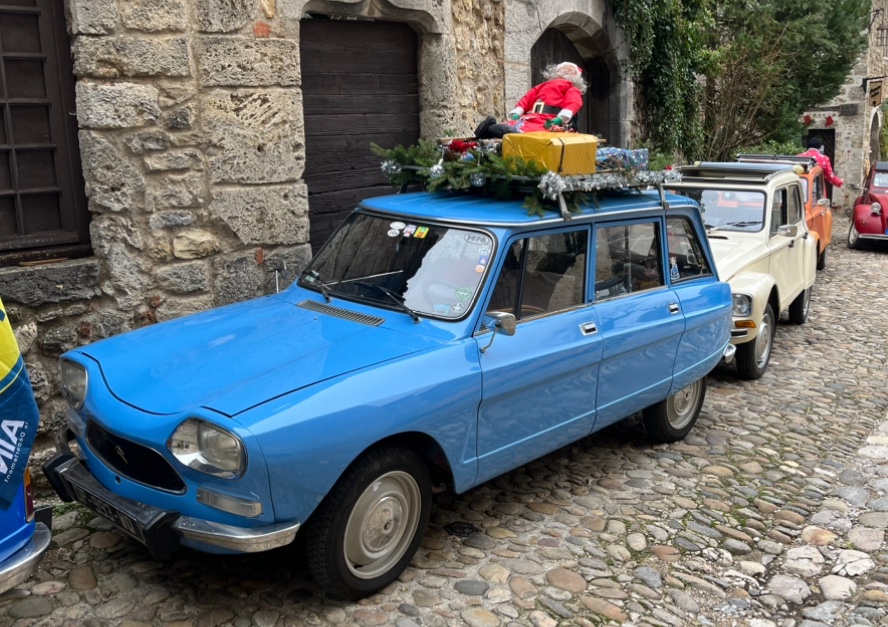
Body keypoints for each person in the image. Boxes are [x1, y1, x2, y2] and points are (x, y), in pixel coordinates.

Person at [474, 62, 587, 139]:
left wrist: (559, 119)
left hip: (549, 120)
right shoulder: (541, 87)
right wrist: (517, 113)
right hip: (530, 117)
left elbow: (573, 103)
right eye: (565, 68)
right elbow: (527, 99)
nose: (566, 71)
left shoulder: (571, 89)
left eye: (570, 70)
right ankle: (492, 129)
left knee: (534, 130)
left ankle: (500, 131)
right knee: (517, 125)